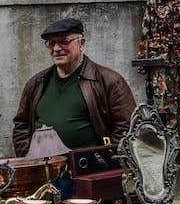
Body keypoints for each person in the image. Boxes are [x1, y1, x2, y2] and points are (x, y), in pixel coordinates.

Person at [12, 17, 136, 156]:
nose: (56, 49)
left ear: (81, 43)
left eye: (64, 42)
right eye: (52, 43)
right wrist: (28, 158)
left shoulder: (109, 81)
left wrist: (107, 160)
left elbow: (126, 128)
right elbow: (21, 125)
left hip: (90, 171)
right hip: (46, 170)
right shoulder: (37, 83)